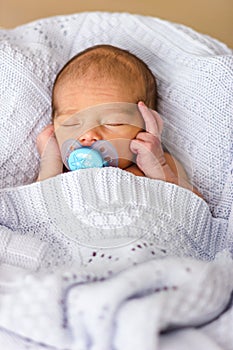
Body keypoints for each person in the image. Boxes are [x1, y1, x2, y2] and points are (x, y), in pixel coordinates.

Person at [36, 44, 201, 197]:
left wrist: (159, 169)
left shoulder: (158, 165)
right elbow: (34, 211)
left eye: (113, 122)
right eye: (71, 123)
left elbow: (197, 212)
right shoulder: (59, 174)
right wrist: (50, 165)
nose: (88, 135)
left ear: (146, 125)